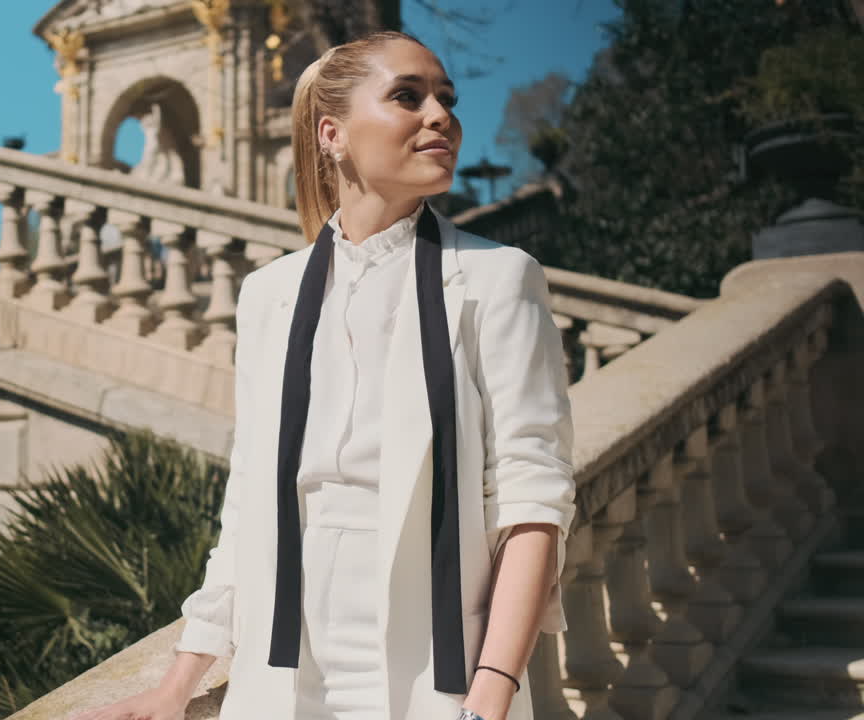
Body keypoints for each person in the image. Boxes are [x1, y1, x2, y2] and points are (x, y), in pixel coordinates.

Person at [71, 29, 575, 720]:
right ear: (332, 133)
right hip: (282, 672)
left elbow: (531, 500)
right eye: (408, 96)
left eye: (446, 100)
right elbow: (248, 502)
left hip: (432, 667)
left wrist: (490, 694)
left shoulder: (497, 279)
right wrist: (177, 684)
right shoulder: (269, 295)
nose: (441, 116)